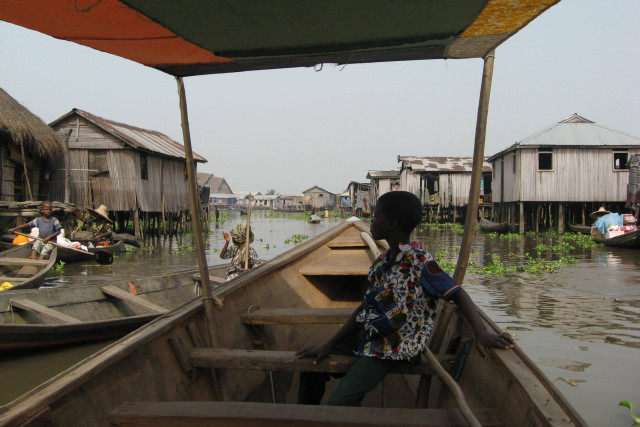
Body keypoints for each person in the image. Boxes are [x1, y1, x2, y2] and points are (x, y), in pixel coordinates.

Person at [296, 191, 515, 406]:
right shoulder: (381, 263)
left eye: (375, 216)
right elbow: (365, 309)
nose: (370, 220)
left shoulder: (419, 262)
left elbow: (457, 293)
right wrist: (329, 344)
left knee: (340, 402)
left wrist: (481, 332)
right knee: (309, 367)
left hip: (393, 347)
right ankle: (305, 417)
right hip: (370, 334)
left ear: (391, 224)